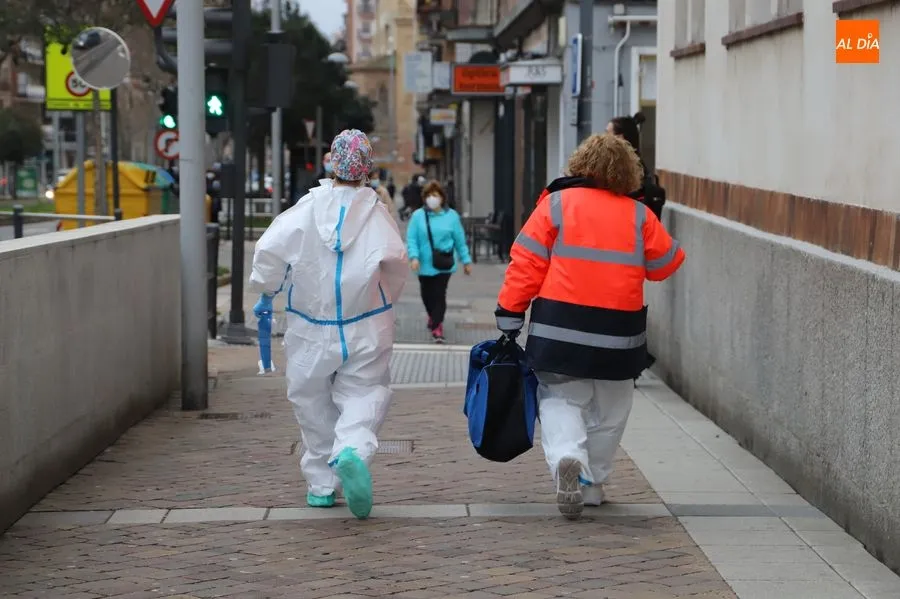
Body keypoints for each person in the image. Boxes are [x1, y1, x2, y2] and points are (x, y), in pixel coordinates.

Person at [494, 134, 685, 520]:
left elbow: (526, 264)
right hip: (619, 333)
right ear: (628, 172)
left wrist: (509, 314)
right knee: (612, 409)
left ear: (580, 164)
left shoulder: (555, 205)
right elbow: (666, 264)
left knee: (561, 400)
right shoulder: (638, 215)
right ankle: (593, 483)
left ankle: (568, 456)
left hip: (559, 329)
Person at [248, 129, 408, 520]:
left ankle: (321, 485)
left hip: (309, 324)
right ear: (367, 168)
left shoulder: (304, 210)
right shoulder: (377, 215)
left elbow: (269, 250)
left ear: (332, 164)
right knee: (365, 393)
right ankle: (351, 449)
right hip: (365, 323)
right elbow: (397, 264)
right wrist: (382, 295)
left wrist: (266, 289)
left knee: (311, 402)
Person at [607, 113, 667, 378]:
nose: (605, 136)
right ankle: (633, 356)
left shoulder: (631, 170)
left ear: (621, 137)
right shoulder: (633, 167)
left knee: (621, 307)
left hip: (625, 247)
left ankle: (633, 357)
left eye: (610, 132)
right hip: (627, 248)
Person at [406, 180, 473, 343]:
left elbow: (459, 240)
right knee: (426, 295)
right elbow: (411, 239)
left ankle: (437, 326)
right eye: (428, 195)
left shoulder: (452, 217)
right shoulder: (417, 216)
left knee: (439, 294)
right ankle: (432, 316)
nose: (432, 198)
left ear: (442, 198)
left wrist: (466, 261)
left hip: (444, 264)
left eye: (435, 195)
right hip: (423, 264)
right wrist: (413, 257)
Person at [606, 113, 666, 220]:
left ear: (620, 138)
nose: (603, 138)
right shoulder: (631, 165)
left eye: (607, 133)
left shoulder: (629, 169)